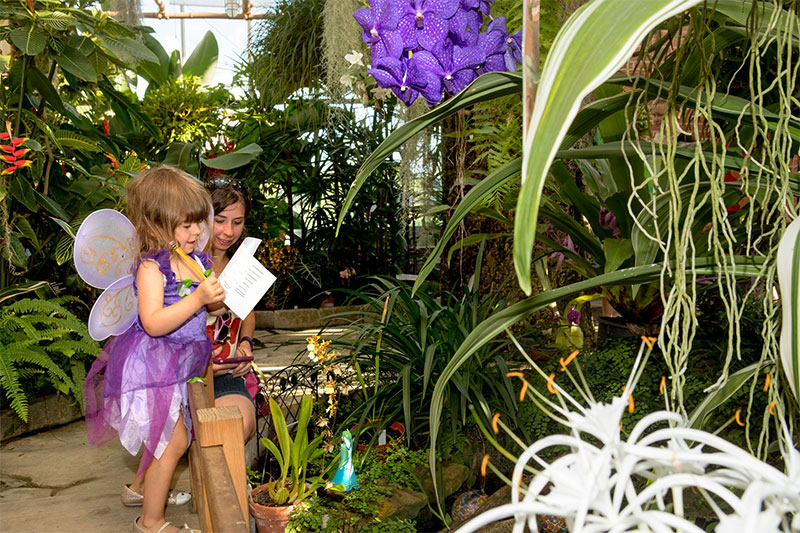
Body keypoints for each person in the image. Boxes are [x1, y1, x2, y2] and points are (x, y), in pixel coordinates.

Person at [83, 166, 225, 533]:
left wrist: (217, 300)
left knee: (165, 434)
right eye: (187, 225)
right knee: (172, 440)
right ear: (158, 224)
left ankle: (142, 490)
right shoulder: (151, 267)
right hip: (152, 363)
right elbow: (153, 322)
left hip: (179, 362)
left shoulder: (196, 260)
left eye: (198, 222)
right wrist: (197, 299)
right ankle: (150, 521)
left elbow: (210, 309)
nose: (197, 232)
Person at [204, 175, 258, 442]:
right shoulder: (184, 263)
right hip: (185, 378)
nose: (228, 232)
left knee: (241, 423)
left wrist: (246, 343)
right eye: (220, 220)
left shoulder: (241, 264)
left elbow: (246, 312)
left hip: (227, 374)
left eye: (237, 222)